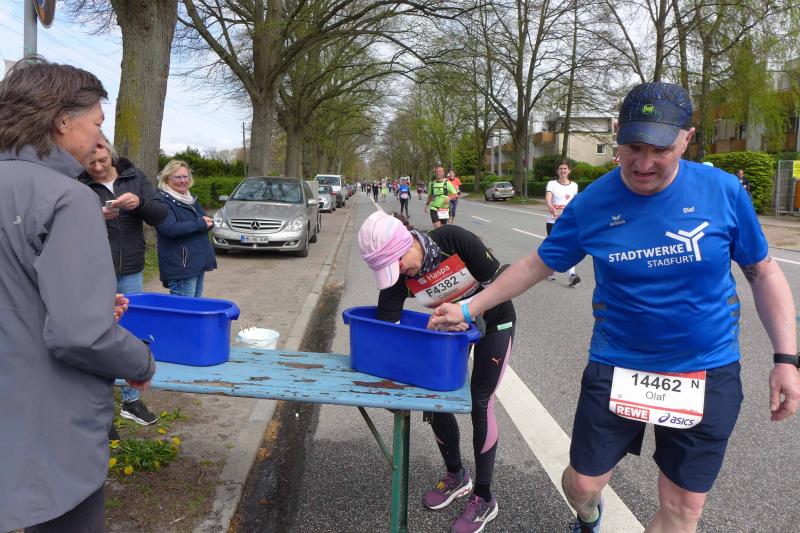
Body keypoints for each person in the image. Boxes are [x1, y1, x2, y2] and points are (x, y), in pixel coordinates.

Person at [432, 82, 800, 533]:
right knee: (581, 486)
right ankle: (589, 517)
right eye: (632, 147)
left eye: (659, 149)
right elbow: (535, 264)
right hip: (619, 364)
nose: (643, 163)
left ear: (687, 138)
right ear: (617, 138)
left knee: (683, 508)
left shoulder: (721, 191)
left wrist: (786, 359)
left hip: (707, 368)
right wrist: (468, 309)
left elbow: (763, 272)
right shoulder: (593, 203)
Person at [0, 59, 155, 533]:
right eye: (97, 124)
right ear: (63, 121)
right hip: (45, 426)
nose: (99, 139)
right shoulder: (67, 198)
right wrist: (140, 362)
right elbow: (81, 334)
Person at [359, 210, 515, 533]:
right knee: (434, 395)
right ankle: (456, 474)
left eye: (398, 265)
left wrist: (469, 316)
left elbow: (502, 287)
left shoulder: (454, 240)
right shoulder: (398, 278)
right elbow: (388, 331)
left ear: (406, 243)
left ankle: (484, 497)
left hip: (495, 320)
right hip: (452, 327)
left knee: (480, 402)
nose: (399, 274)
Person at [80, 136, 167, 426]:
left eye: (103, 160)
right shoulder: (77, 182)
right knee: (95, 334)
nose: (97, 167)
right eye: (90, 162)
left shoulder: (133, 177)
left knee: (132, 331)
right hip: (93, 270)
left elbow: (160, 214)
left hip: (130, 269)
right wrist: (94, 216)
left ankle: (131, 401)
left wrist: (139, 203)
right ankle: (99, 408)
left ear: (111, 154)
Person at [155, 160, 217, 297]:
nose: (183, 181)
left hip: (196, 263)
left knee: (194, 306)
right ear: (166, 179)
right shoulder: (161, 202)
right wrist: (201, 223)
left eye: (185, 176)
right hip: (181, 267)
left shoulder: (189, 198)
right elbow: (170, 228)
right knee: (183, 308)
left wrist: (209, 222)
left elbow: (205, 219)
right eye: (177, 177)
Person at [545, 160, 580, 286]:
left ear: (569, 171)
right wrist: (551, 207)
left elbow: (576, 202)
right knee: (554, 247)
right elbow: (548, 198)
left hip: (569, 221)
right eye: (561, 168)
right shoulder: (552, 184)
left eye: (565, 168)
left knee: (569, 247)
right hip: (553, 221)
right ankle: (550, 270)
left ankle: (572, 275)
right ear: (557, 171)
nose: (563, 170)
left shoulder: (574, 185)